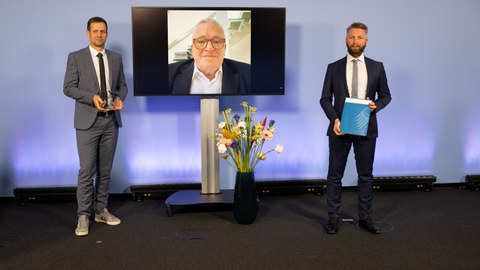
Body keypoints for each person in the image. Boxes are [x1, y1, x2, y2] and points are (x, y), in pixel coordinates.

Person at [320, 22, 392, 234]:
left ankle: (365, 218)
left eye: (360, 37)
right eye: (351, 37)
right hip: (339, 128)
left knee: (366, 176)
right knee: (334, 176)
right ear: (345, 39)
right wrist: (335, 119)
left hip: (366, 128)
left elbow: (386, 96)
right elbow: (324, 99)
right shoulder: (333, 68)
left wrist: (375, 106)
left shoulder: (377, 67)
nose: (355, 41)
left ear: (366, 41)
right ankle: (333, 218)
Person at [63, 17, 128, 236]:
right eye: (95, 31)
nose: (99, 35)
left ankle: (101, 210)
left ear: (107, 34)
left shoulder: (116, 58)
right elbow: (68, 88)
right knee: (86, 171)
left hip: (111, 121)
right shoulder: (76, 57)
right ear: (88, 33)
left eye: (103, 31)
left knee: (105, 171)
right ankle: (83, 215)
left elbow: (122, 85)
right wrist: (91, 98)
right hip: (87, 122)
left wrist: (120, 98)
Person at [168, 18, 251, 95]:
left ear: (224, 48)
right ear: (192, 48)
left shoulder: (249, 74)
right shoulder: (168, 73)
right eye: (201, 41)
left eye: (217, 41)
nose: (209, 48)